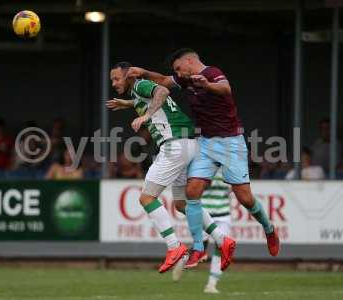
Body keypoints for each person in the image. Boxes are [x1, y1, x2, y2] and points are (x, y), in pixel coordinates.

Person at [127, 48, 280, 269]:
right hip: (206, 143)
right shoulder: (185, 79)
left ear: (189, 61)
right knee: (191, 193)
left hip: (230, 142)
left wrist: (207, 86)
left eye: (179, 68)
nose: (178, 73)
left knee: (245, 198)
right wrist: (144, 72)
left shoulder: (211, 73)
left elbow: (225, 88)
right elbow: (162, 81)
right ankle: (198, 248)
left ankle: (269, 230)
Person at [107, 62, 231, 273]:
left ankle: (175, 247)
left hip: (175, 145)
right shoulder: (138, 92)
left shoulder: (140, 85)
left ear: (129, 76)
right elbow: (151, 99)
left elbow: (162, 90)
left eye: (116, 78)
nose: (113, 83)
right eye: (112, 80)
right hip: (189, 144)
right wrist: (129, 104)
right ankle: (222, 239)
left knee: (147, 198)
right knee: (182, 204)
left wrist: (145, 116)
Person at [172, 168, 231, 294]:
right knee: (201, 248)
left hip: (223, 214)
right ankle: (183, 259)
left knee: (222, 246)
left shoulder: (228, 166)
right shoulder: (202, 165)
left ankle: (211, 284)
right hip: (205, 213)